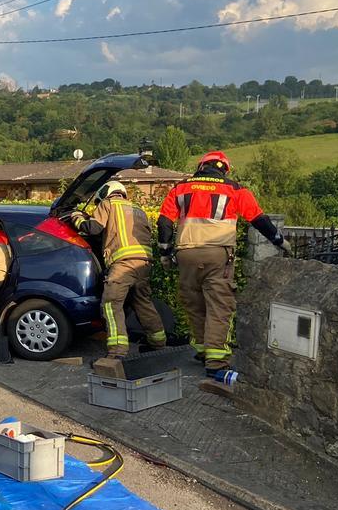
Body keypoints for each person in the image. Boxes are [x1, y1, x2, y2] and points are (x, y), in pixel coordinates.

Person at [157, 151, 291, 388]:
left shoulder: (180, 188)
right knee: (219, 306)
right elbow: (258, 219)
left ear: (201, 166)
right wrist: (279, 240)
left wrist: (165, 253)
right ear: (224, 169)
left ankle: (202, 351)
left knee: (194, 303)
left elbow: (164, 222)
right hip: (218, 255)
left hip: (186, 254)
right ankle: (216, 362)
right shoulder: (235, 189)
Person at [67, 180, 167, 359]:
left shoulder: (108, 203)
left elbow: (93, 228)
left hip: (123, 264)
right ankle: (158, 342)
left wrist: (77, 216)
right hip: (144, 264)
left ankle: (117, 352)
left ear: (105, 193)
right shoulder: (137, 209)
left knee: (111, 304)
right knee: (142, 302)